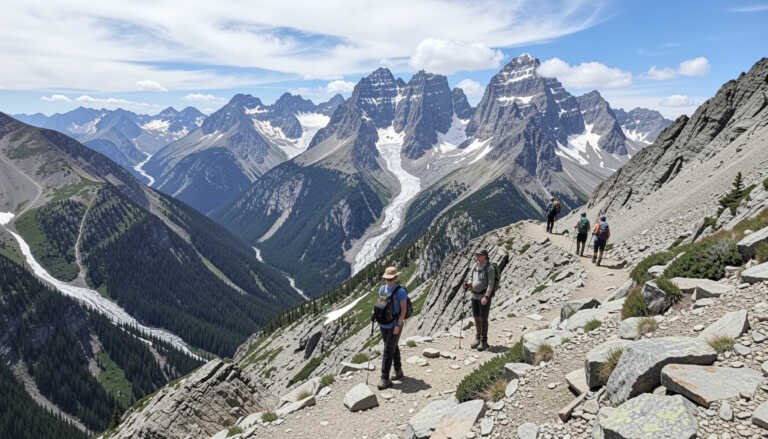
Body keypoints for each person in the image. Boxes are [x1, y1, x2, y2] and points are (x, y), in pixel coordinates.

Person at [376, 266, 409, 390]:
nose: (388, 281)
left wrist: (398, 325)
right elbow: (380, 304)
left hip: (395, 324)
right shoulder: (381, 289)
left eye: (390, 279)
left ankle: (384, 378)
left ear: (395, 278)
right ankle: (398, 370)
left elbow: (403, 310)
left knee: (388, 350)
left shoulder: (401, 292)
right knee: (392, 346)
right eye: (387, 279)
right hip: (383, 324)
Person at [463, 249, 496, 351]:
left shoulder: (489, 268)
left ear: (485, 256)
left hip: (483, 297)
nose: (477, 256)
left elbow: (491, 284)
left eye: (479, 255)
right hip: (474, 296)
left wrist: (486, 296)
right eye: (476, 254)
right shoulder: (475, 265)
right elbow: (471, 277)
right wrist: (468, 284)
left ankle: (484, 341)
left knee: (483, 319)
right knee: (476, 318)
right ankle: (477, 338)